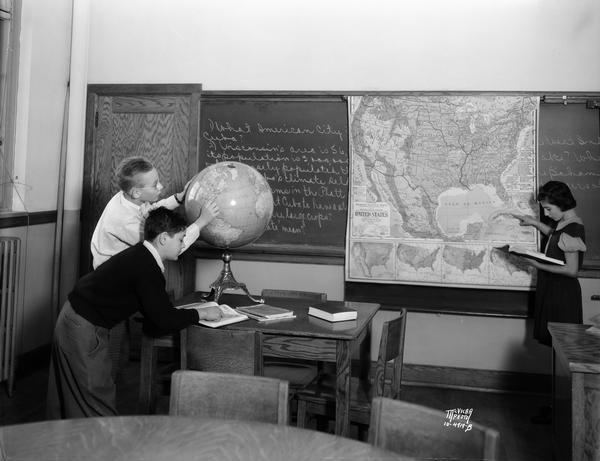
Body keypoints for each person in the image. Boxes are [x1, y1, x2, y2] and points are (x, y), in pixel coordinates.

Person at [47, 208, 223, 419]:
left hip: (72, 319)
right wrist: (200, 314)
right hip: (82, 327)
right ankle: (103, 450)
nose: (182, 245)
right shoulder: (147, 267)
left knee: (70, 402)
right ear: (164, 238)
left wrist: (181, 313)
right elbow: (163, 320)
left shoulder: (142, 255)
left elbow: (156, 313)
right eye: (181, 239)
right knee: (96, 404)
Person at [512, 181, 586, 424]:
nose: (545, 213)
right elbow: (554, 235)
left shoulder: (573, 228)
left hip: (562, 294)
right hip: (553, 290)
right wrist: (534, 223)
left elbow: (572, 270)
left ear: (562, 204)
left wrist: (536, 264)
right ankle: (558, 405)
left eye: (548, 209)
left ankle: (565, 411)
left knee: (563, 355)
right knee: (556, 352)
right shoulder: (564, 223)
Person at [90, 156, 218, 269]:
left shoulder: (128, 196)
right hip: (114, 281)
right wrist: (201, 222)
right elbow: (168, 246)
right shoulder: (125, 221)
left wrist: (178, 198)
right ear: (136, 192)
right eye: (155, 185)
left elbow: (152, 211)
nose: (161, 187)